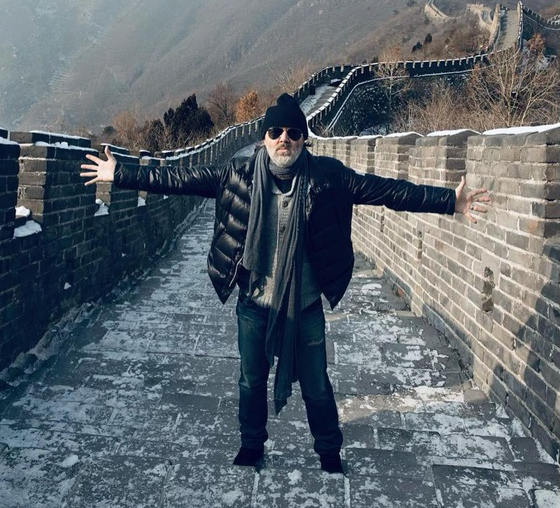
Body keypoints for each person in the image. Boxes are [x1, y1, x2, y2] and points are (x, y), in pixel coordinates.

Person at [81, 93, 490, 474]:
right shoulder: (238, 175)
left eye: (294, 132)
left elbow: (386, 191)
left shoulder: (328, 178)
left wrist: (449, 201)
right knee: (250, 381)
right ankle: (251, 445)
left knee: (316, 385)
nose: (284, 139)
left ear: (304, 139)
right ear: (264, 137)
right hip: (254, 301)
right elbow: (178, 178)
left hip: (305, 303)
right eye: (276, 131)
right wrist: (119, 174)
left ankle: (328, 451)